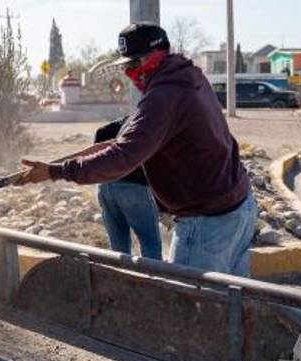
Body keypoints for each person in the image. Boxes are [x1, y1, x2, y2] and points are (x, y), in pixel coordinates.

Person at [17, 22, 256, 277]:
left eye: (135, 64)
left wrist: (55, 172)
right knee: (232, 303)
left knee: (187, 307)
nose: (131, 74)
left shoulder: (162, 97)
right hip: (238, 206)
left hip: (207, 222)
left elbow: (123, 157)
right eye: (126, 67)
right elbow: (132, 144)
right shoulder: (189, 76)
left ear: (158, 54)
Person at [94, 116, 162, 259]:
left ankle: (121, 277)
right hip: (133, 187)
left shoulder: (107, 129)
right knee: (149, 240)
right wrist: (163, 207)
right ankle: (154, 279)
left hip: (104, 187)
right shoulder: (149, 125)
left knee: (118, 243)